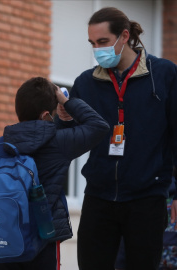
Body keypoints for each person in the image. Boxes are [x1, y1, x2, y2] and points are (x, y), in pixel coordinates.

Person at [56, 7, 177, 270]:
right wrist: (61, 118)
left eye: (103, 42)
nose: (97, 49)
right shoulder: (85, 83)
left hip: (148, 198)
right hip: (98, 197)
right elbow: (66, 139)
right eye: (92, 43)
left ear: (124, 36)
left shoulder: (165, 75)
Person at [0, 77, 109, 270]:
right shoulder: (60, 142)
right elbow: (99, 126)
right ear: (45, 115)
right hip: (43, 237)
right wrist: (67, 103)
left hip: (4, 235)